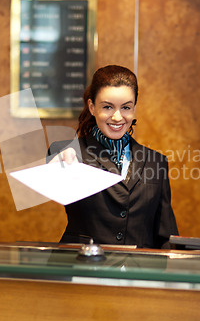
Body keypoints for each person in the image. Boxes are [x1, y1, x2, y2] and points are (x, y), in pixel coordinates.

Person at [48, 65, 178, 248]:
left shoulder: (156, 162)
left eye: (126, 107)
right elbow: (53, 179)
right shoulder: (69, 153)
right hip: (83, 268)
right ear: (92, 107)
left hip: (138, 272)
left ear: (134, 109)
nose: (117, 117)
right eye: (108, 107)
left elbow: (165, 233)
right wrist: (60, 162)